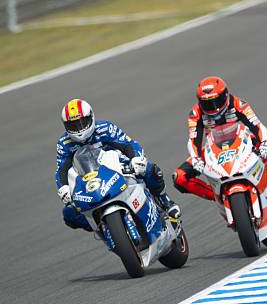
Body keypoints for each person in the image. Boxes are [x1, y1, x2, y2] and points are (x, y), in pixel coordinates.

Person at [55, 98, 180, 232]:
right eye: (73, 126)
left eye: (81, 123)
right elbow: (61, 169)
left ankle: (164, 201)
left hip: (117, 166)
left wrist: (136, 159)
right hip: (89, 181)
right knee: (69, 214)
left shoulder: (105, 128)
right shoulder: (64, 143)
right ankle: (102, 227)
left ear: (90, 117)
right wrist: (63, 188)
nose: (79, 129)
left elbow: (128, 144)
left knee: (150, 170)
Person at [173, 76, 267, 209]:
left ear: (226, 95)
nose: (215, 108)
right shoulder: (196, 113)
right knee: (179, 177)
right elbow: (194, 139)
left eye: (217, 101)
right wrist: (196, 159)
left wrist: (264, 142)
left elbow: (257, 125)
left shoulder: (238, 104)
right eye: (208, 103)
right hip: (212, 147)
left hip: (241, 139)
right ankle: (218, 195)